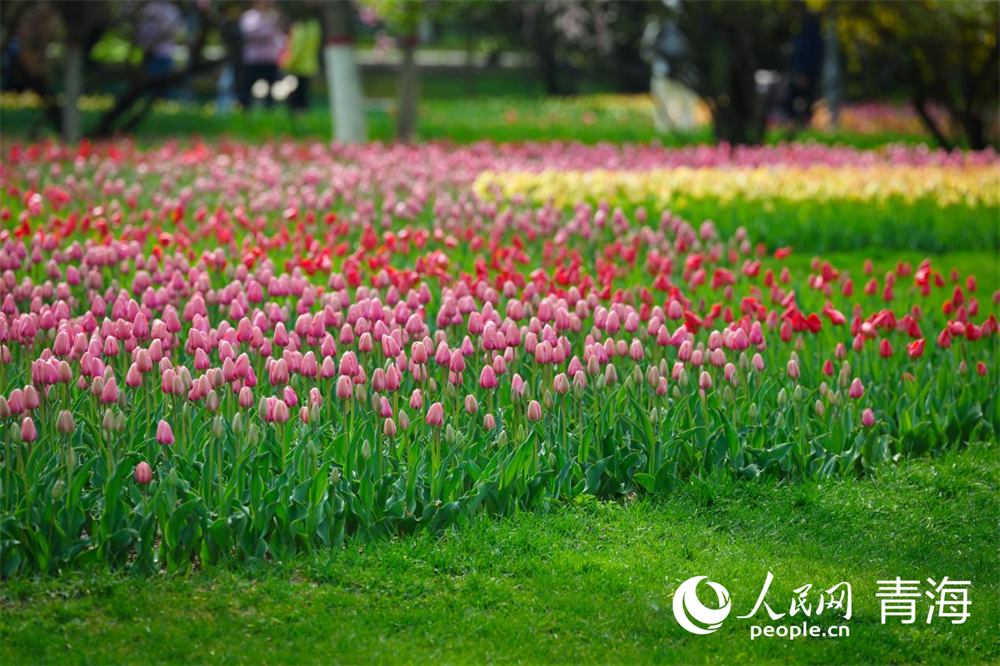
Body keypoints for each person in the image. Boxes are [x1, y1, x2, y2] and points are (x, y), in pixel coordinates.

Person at [239, 0, 285, 109]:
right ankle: (244, 109)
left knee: (271, 88)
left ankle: (269, 110)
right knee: (247, 87)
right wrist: (264, 23)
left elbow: (277, 35)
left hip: (270, 59)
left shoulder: (273, 16)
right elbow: (250, 33)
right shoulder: (249, 16)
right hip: (253, 59)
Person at [136, 0, 184, 90]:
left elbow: (176, 32)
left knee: (164, 86)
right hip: (152, 53)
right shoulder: (149, 9)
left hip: (165, 53)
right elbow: (141, 30)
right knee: (150, 86)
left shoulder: (172, 10)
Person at [279, 17, 321, 114]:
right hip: (309, 65)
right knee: (303, 94)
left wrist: (287, 63)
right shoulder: (315, 26)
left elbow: (296, 48)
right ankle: (303, 114)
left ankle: (297, 115)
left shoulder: (300, 28)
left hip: (296, 67)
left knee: (295, 96)